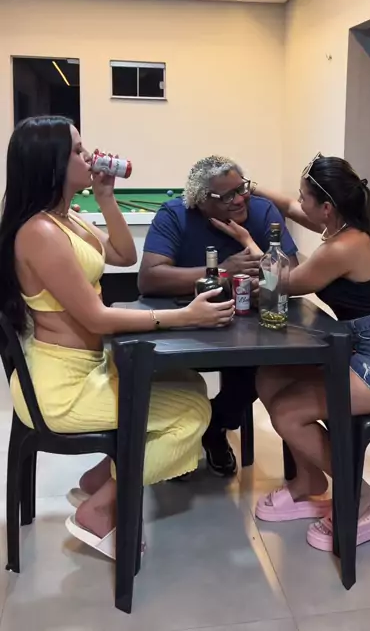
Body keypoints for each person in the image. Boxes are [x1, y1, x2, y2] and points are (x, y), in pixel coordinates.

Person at [0, 116, 234, 561]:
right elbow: (96, 318)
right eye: (77, 150)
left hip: (87, 367)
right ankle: (99, 506)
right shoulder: (39, 233)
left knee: (189, 383)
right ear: (51, 162)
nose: (89, 156)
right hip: (61, 388)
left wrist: (105, 197)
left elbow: (125, 255)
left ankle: (99, 479)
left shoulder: (67, 219)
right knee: (191, 415)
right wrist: (184, 316)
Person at [211, 153, 370, 550]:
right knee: (270, 376)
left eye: (305, 196)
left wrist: (245, 246)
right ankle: (308, 480)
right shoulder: (342, 223)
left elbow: (282, 282)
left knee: (288, 411)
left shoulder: (342, 247)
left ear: (326, 206)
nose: (299, 202)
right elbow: (289, 206)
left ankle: (355, 492)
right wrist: (248, 187)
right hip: (366, 350)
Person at [138, 155, 298, 477]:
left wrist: (265, 284)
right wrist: (221, 271)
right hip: (185, 323)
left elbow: (291, 272)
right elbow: (150, 278)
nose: (239, 199)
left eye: (242, 188)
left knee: (262, 369)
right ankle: (178, 435)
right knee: (166, 373)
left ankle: (214, 427)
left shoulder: (263, 212)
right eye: (227, 196)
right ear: (200, 200)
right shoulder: (175, 215)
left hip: (246, 325)